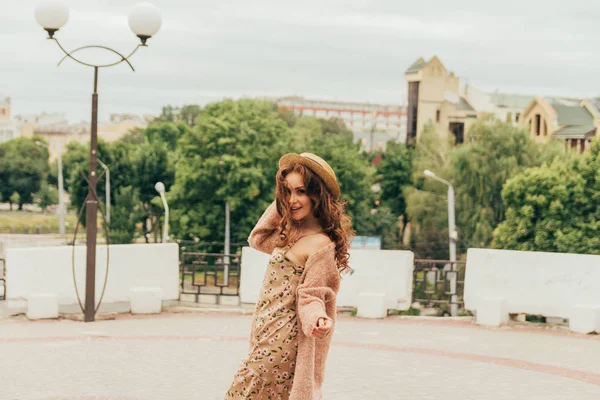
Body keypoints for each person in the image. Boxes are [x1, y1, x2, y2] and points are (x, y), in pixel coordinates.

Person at [226, 152, 354, 400]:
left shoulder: (321, 245)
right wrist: (283, 201)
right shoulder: (288, 232)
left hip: (282, 341)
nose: (293, 200)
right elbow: (258, 237)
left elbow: (312, 296)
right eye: (288, 191)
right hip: (266, 334)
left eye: (301, 191)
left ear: (318, 195)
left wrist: (318, 319)